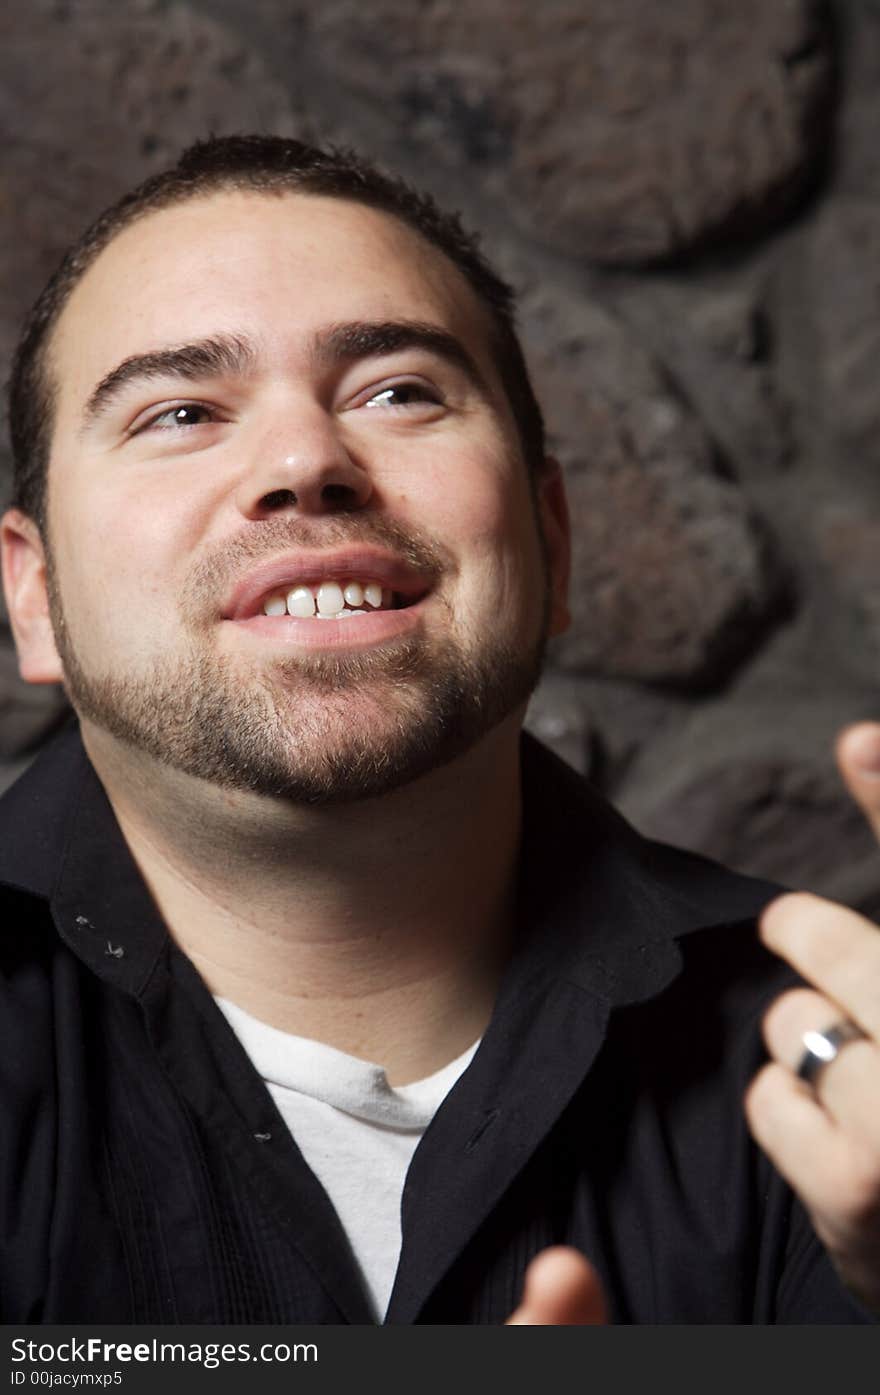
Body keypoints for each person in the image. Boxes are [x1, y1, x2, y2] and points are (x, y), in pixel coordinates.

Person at [0, 134, 877, 1326]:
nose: (306, 461)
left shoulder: (824, 1064)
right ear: (33, 598)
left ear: (551, 544)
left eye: (400, 392)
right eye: (181, 411)